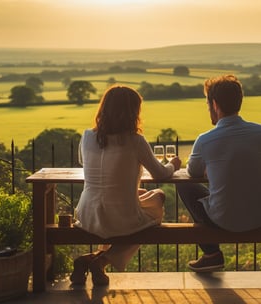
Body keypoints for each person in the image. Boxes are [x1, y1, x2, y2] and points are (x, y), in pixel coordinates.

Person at [70, 85, 181, 286]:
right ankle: (101, 260)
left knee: (139, 196)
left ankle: (91, 259)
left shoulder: (87, 136)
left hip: (87, 213)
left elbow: (82, 161)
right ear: (133, 113)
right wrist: (173, 164)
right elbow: (160, 173)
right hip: (120, 217)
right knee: (157, 199)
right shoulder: (135, 141)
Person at [176, 74, 261, 272]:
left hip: (223, 221)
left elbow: (192, 172)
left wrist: (211, 167)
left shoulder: (206, 140)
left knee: (184, 185)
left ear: (214, 104)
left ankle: (212, 254)